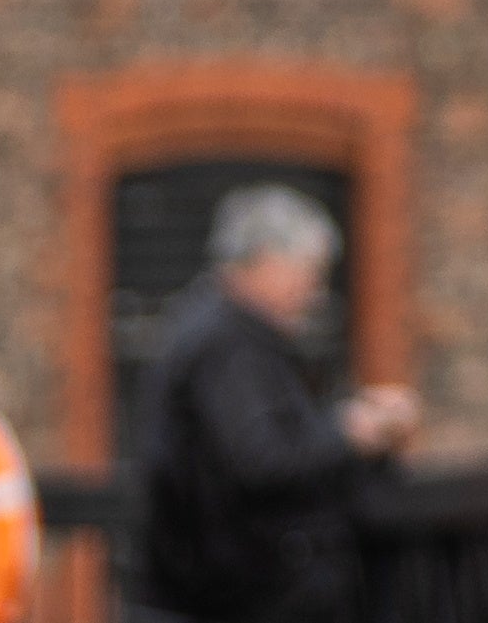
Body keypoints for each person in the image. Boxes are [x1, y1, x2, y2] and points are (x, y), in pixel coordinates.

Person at [125, 183, 418, 623]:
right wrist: (353, 431)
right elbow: (263, 459)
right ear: (266, 260)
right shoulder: (228, 345)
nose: (315, 289)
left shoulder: (213, 330)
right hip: (232, 602)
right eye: (309, 270)